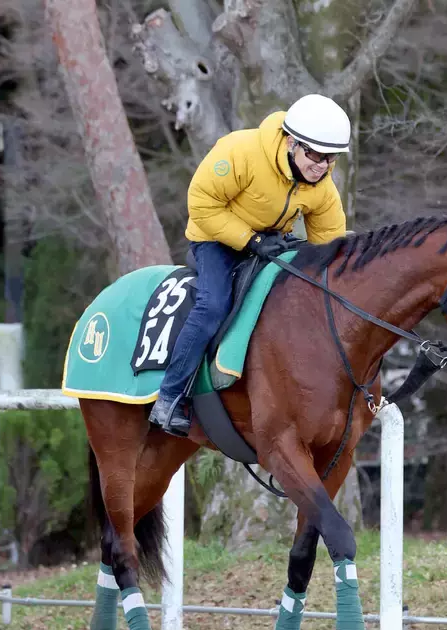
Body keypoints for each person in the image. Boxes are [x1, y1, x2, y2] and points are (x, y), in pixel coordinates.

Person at [149, 93, 351, 436]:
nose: (322, 165)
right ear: (292, 143)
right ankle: (169, 398)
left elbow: (330, 243)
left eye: (331, 158)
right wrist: (251, 240)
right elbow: (202, 206)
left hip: (270, 242)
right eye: (315, 154)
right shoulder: (240, 152)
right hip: (215, 237)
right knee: (213, 305)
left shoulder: (323, 186)